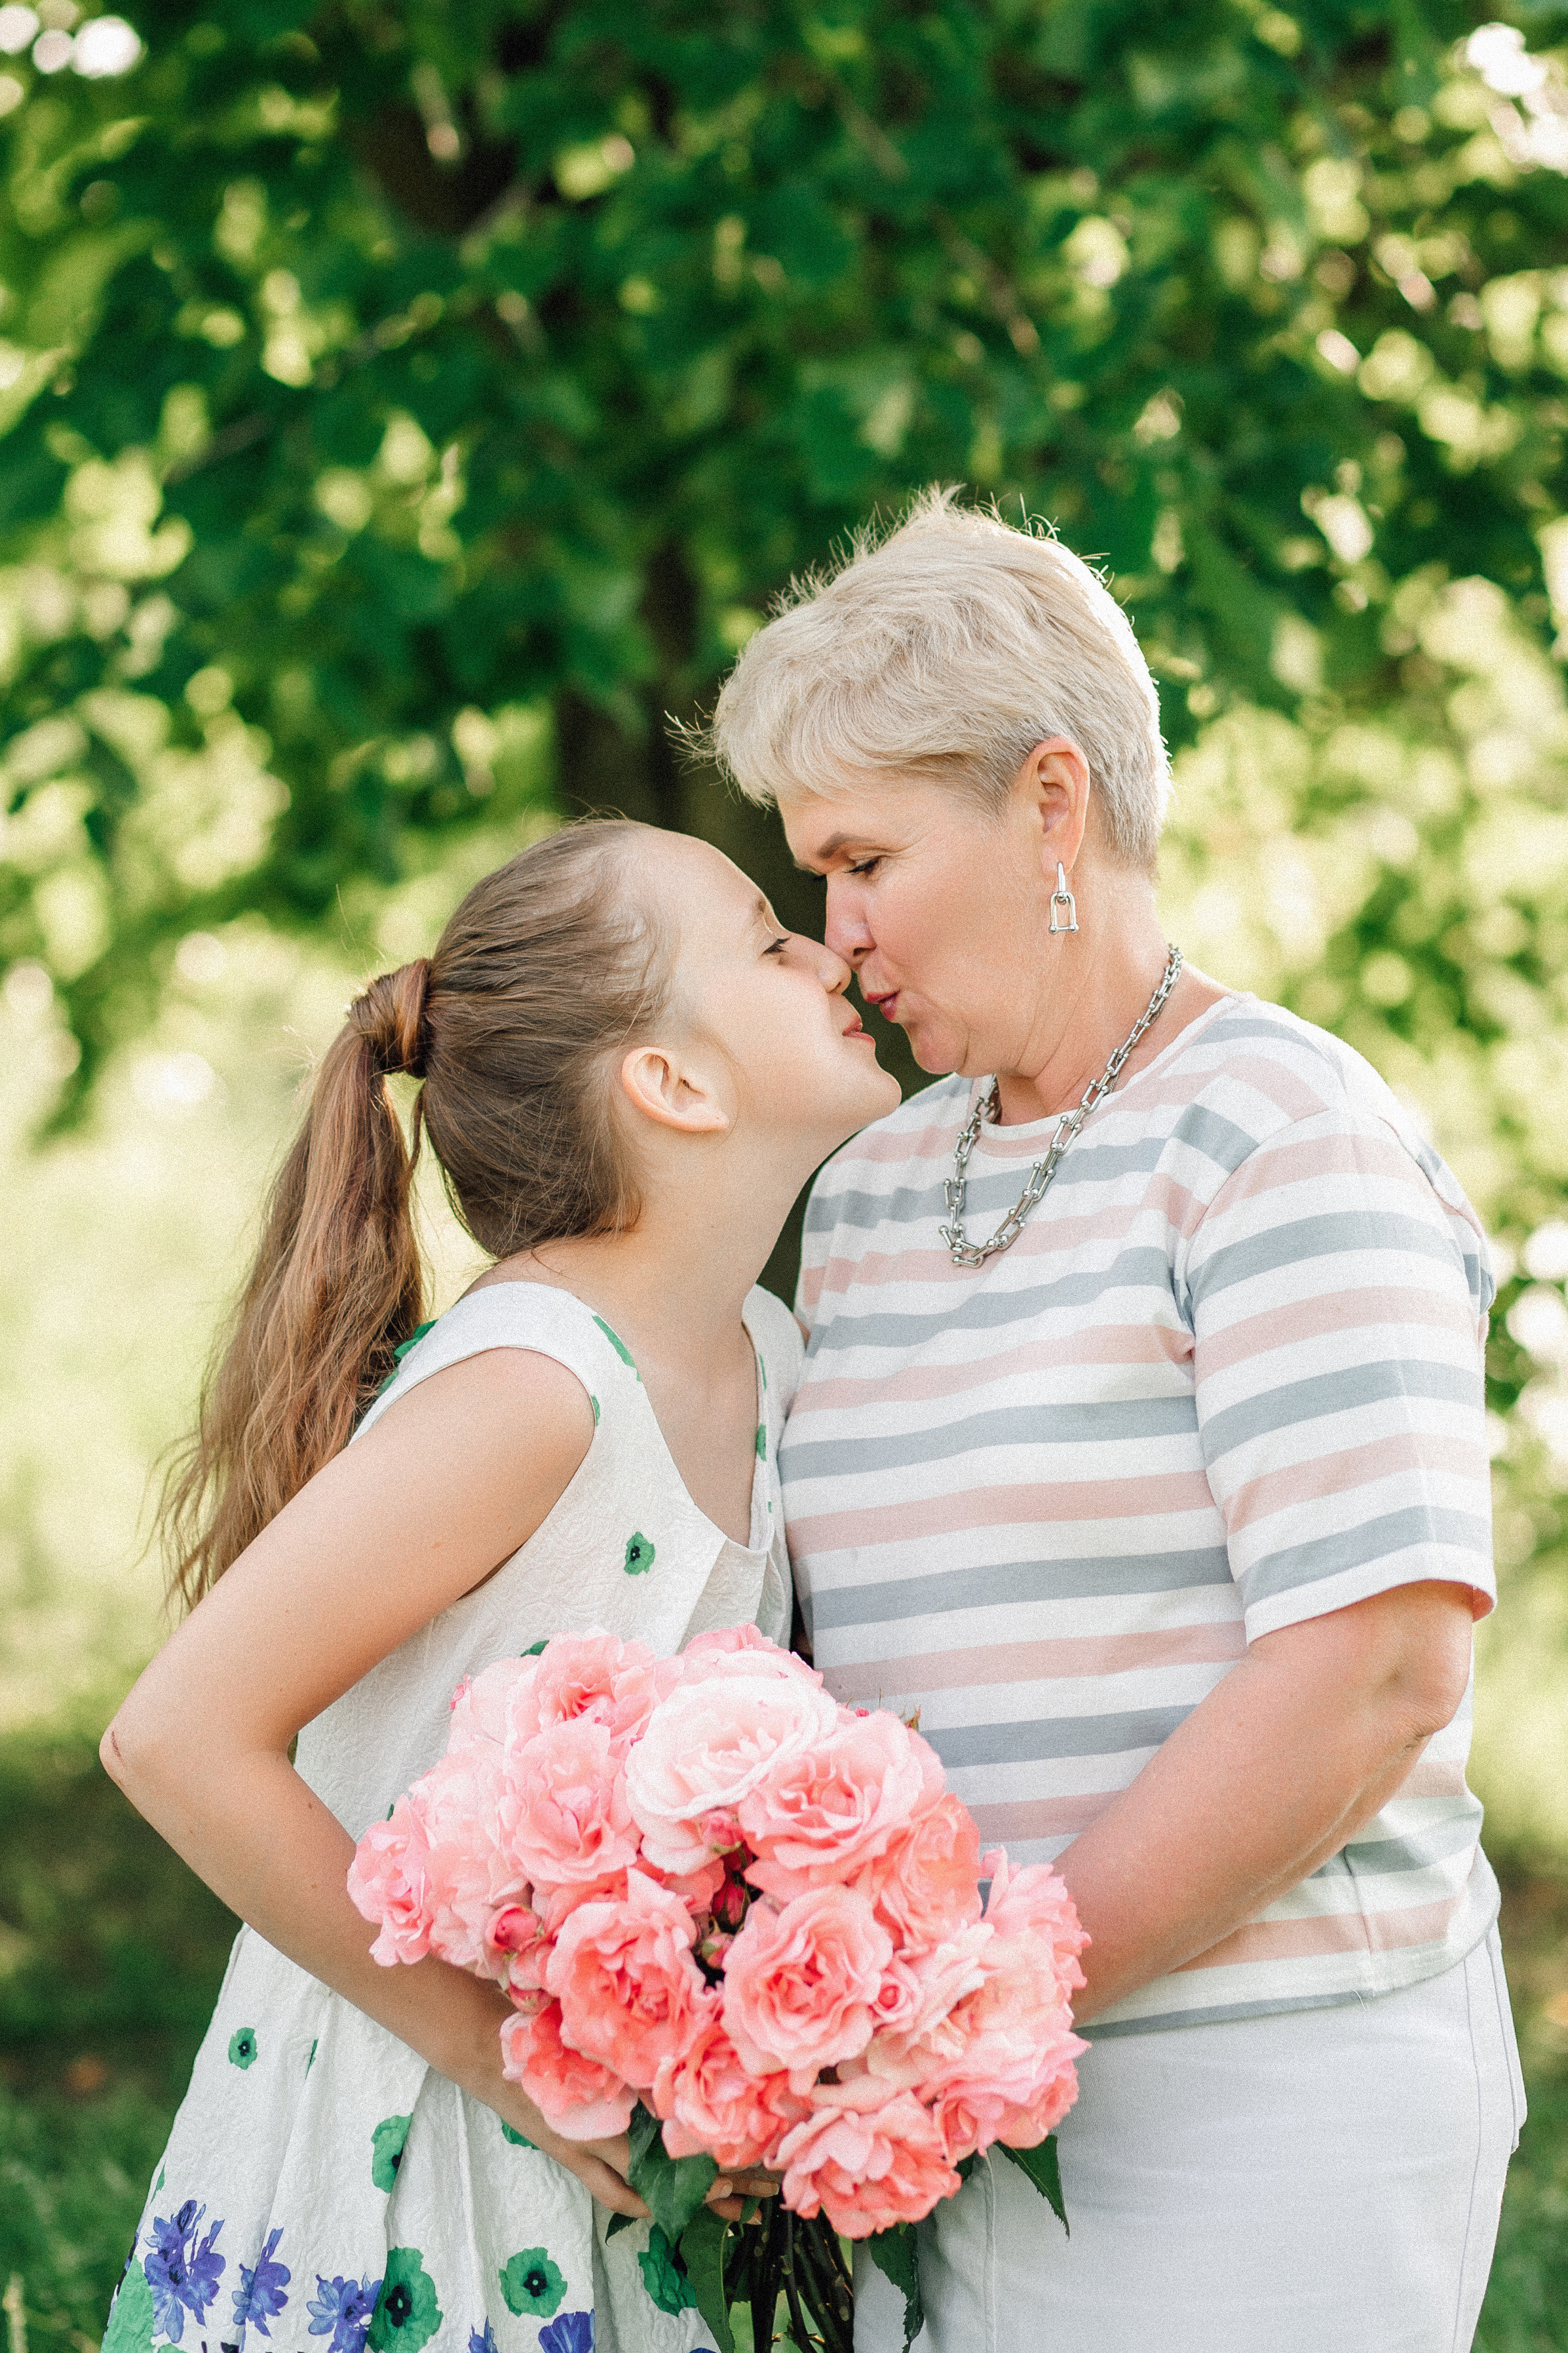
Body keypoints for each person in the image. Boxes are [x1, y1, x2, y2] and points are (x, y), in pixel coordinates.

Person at [702, 492, 1525, 2353]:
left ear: (1050, 804)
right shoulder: (880, 1181)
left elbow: (1379, 1665)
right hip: (935, 2107)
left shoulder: (1280, 1135)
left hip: (1264, 2095)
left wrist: (988, 1998)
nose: (834, 938)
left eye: (863, 859)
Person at [98, 820, 900, 2353]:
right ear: (672, 1085)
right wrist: (499, 2054)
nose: (827, 945)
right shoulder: (537, 1382)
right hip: (406, 2138)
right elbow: (178, 1736)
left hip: (590, 2160)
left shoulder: (771, 1359)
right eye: (764, 936)